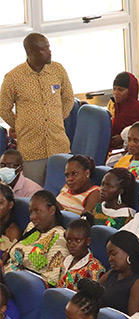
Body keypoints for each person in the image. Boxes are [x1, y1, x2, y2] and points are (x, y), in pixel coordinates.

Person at [0, 33, 73, 183]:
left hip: (59, 144)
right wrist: (19, 125)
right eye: (44, 48)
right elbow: (3, 108)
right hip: (32, 149)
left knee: (64, 190)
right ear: (31, 52)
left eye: (49, 47)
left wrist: (58, 118)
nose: (49, 51)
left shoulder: (57, 70)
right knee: (36, 192)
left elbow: (68, 98)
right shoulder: (13, 77)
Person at [5, 190, 67, 286]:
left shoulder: (59, 236)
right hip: (7, 277)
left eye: (37, 211)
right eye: (31, 212)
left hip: (25, 286)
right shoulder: (32, 227)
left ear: (52, 210)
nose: (32, 217)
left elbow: (52, 280)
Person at [99, 230, 139, 316]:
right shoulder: (113, 273)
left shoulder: (138, 283)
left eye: (113, 254)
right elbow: (92, 293)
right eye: (108, 255)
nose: (110, 259)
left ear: (129, 253)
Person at [57, 215, 105, 289]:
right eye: (69, 241)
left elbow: (90, 297)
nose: (72, 245)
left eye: (78, 240)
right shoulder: (66, 260)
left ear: (88, 241)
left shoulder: (94, 267)